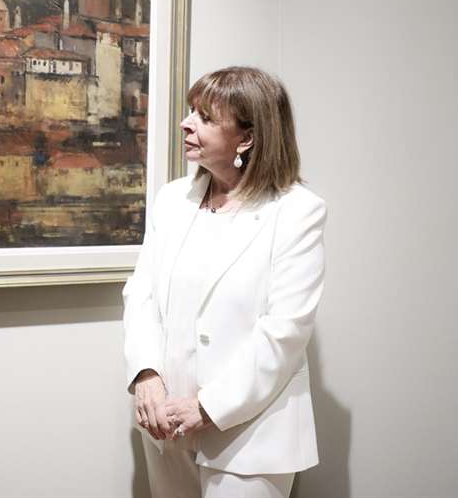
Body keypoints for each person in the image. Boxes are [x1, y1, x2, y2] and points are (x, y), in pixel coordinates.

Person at [123, 66, 327, 498]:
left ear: (246, 138)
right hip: (166, 425)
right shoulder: (172, 200)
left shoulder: (297, 212)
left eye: (205, 117)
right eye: (190, 111)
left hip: (250, 435)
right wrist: (146, 374)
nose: (186, 124)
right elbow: (141, 294)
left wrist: (208, 406)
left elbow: (285, 330)